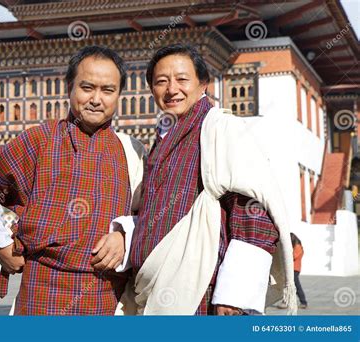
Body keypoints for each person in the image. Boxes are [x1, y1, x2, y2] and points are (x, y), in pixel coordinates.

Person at [104, 44, 297, 315]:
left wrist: (234, 293)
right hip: (155, 284)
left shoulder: (220, 128)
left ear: (202, 84)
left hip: (202, 286)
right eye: (161, 81)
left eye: (182, 79)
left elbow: (253, 209)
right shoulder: (161, 140)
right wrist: (124, 233)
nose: (172, 89)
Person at [0, 45, 145, 315]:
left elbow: (148, 214)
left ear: (119, 95)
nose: (96, 99)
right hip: (42, 286)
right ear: (69, 88)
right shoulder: (41, 139)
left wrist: (125, 235)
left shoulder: (132, 150)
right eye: (87, 88)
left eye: (107, 90)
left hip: (107, 292)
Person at [279, 233, 308, 309]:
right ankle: (286, 301)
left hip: (295, 269)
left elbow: (293, 256)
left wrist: (287, 252)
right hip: (290, 269)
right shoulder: (294, 246)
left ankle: (303, 302)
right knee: (287, 285)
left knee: (296, 286)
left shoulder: (298, 247)